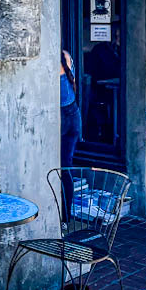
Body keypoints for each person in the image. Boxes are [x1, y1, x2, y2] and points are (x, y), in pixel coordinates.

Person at [60, 50, 82, 221]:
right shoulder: (66, 55)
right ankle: (66, 216)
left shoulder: (52, 63)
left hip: (62, 119)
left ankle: (63, 215)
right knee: (65, 167)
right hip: (74, 116)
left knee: (59, 168)